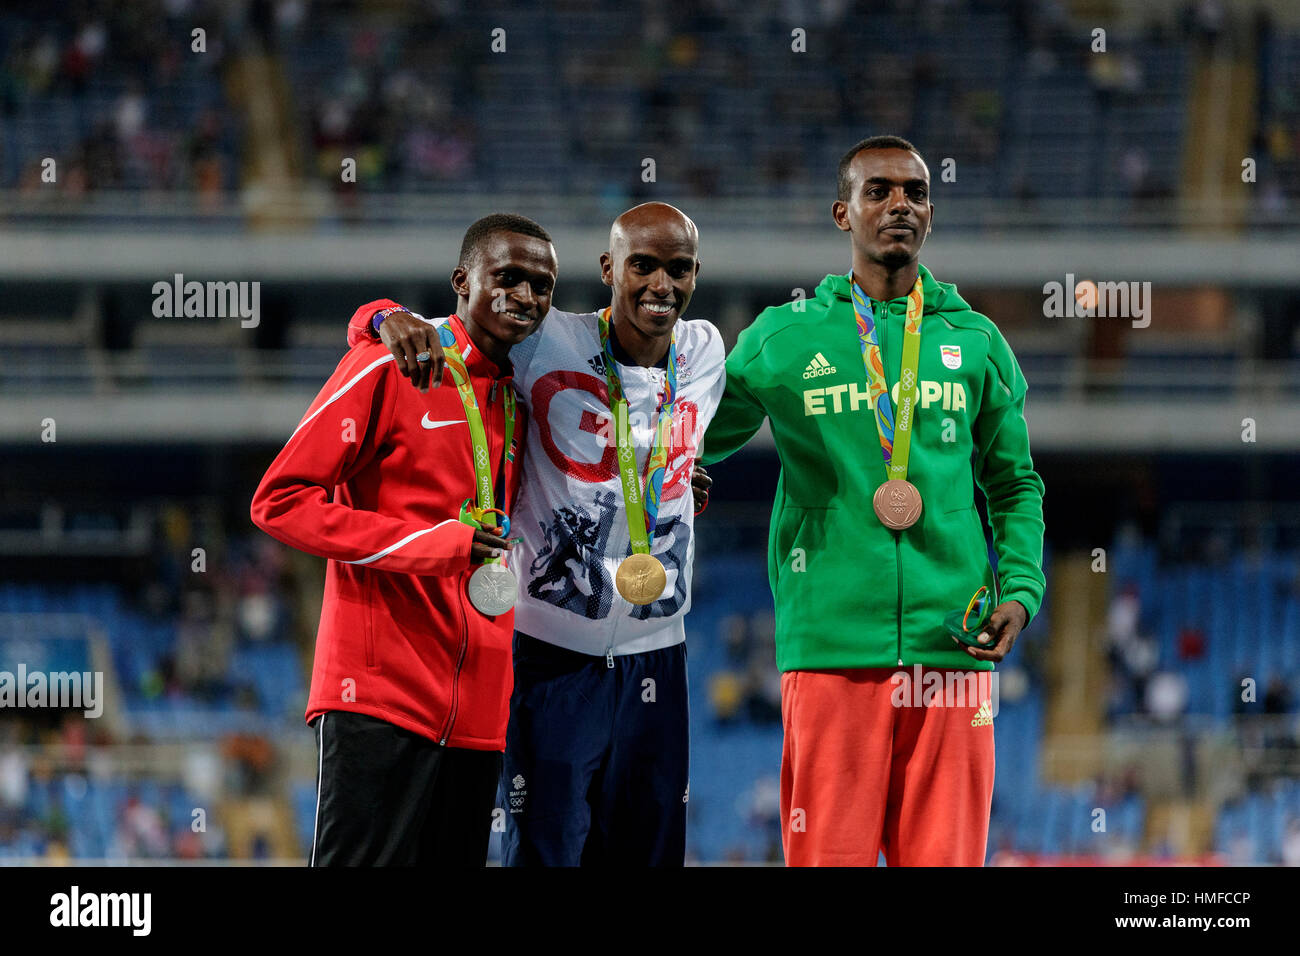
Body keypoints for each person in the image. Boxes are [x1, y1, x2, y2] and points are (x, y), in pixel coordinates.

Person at [701, 136, 1047, 866]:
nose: (900, 205)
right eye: (879, 191)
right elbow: (691, 441)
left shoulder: (977, 342)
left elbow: (1014, 484)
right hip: (830, 653)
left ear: (931, 213)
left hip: (954, 648)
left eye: (915, 193)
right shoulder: (784, 337)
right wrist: (680, 473)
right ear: (841, 213)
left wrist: (1019, 587)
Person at [348, 202, 724, 865]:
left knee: (651, 849)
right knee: (544, 851)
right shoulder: (546, 340)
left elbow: (676, 438)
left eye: (679, 268)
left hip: (659, 655)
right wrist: (381, 315)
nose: (661, 285)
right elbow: (429, 331)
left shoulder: (705, 351)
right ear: (610, 268)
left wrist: (688, 472)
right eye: (643, 266)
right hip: (548, 653)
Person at [250, 213, 558, 866]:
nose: (526, 297)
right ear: (461, 280)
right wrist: (433, 546)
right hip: (378, 694)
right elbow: (278, 503)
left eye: (542, 284)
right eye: (508, 277)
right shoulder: (392, 367)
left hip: (480, 708)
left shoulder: (526, 396)